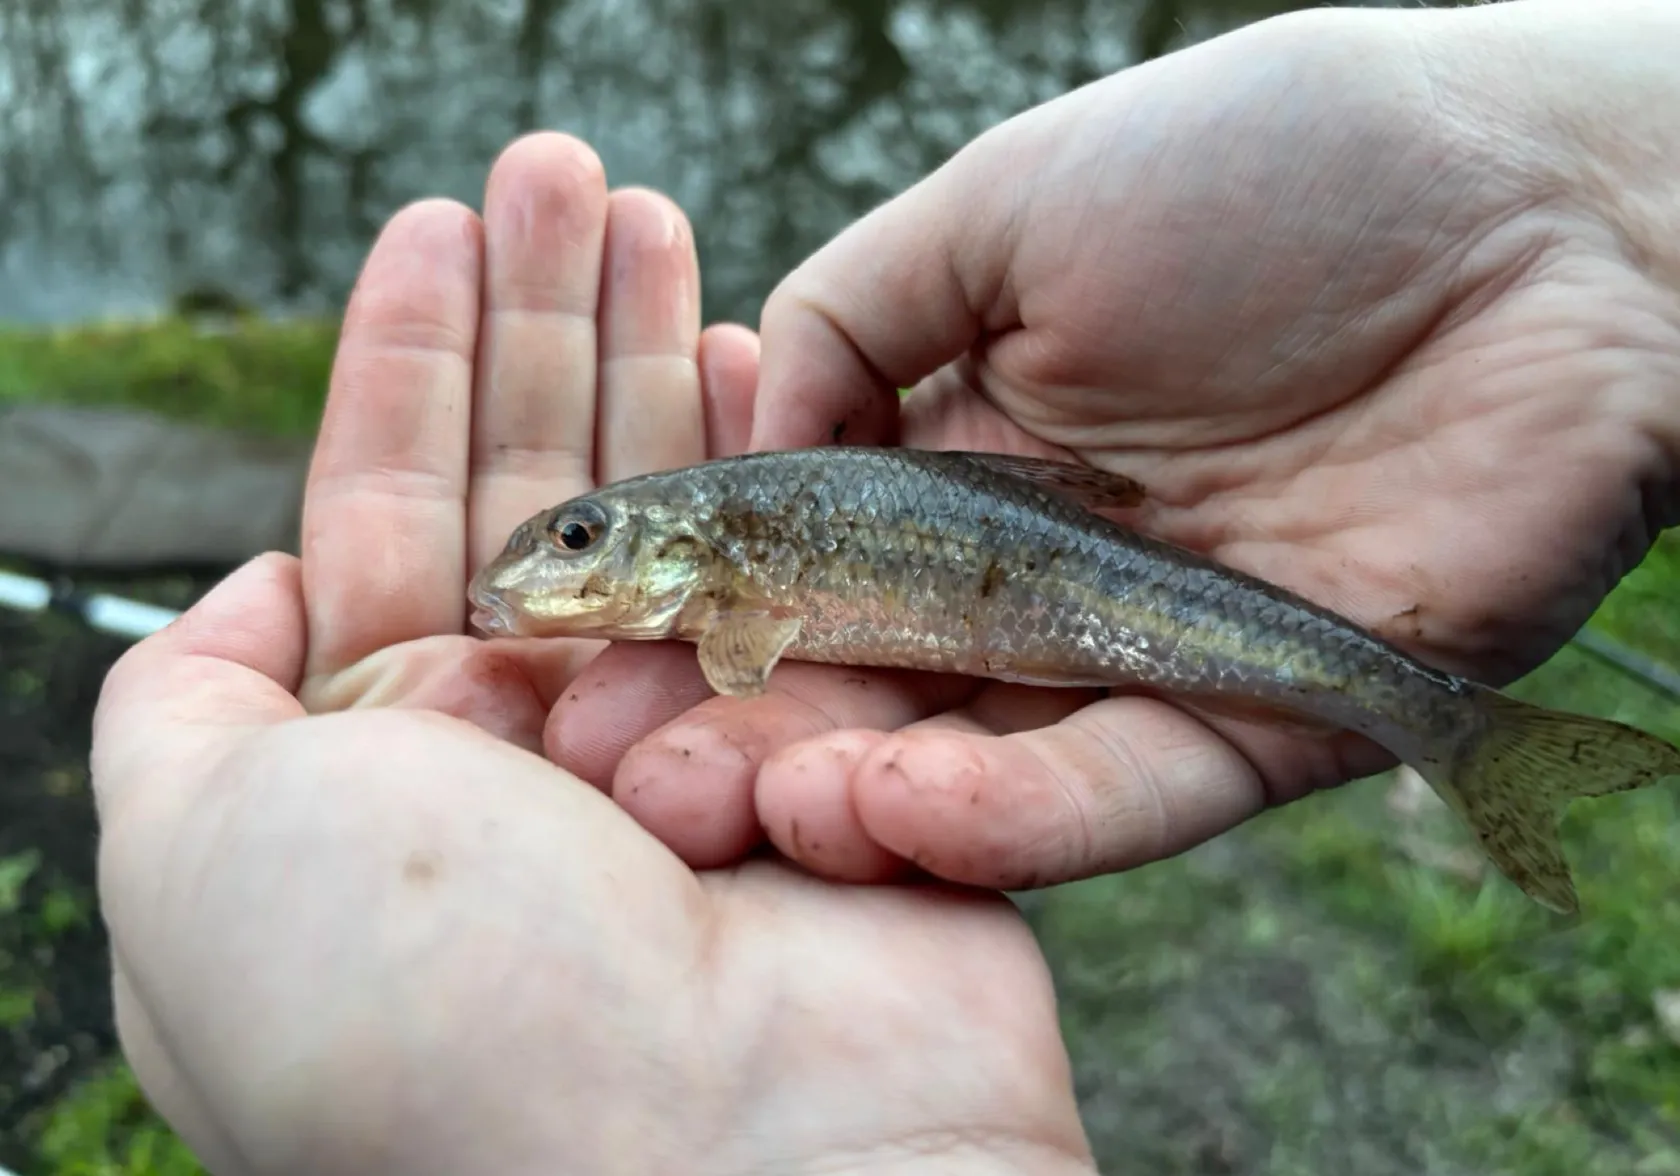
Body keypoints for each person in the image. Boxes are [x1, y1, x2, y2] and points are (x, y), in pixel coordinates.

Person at [91, 1, 1679, 1170]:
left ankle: (1451, 726)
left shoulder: (731, 564)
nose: (542, 568)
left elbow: (736, 663)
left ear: (676, 548)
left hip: (1062, 570)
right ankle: (1449, 725)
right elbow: (731, 661)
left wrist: (1577, 191)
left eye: (575, 542)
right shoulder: (718, 570)